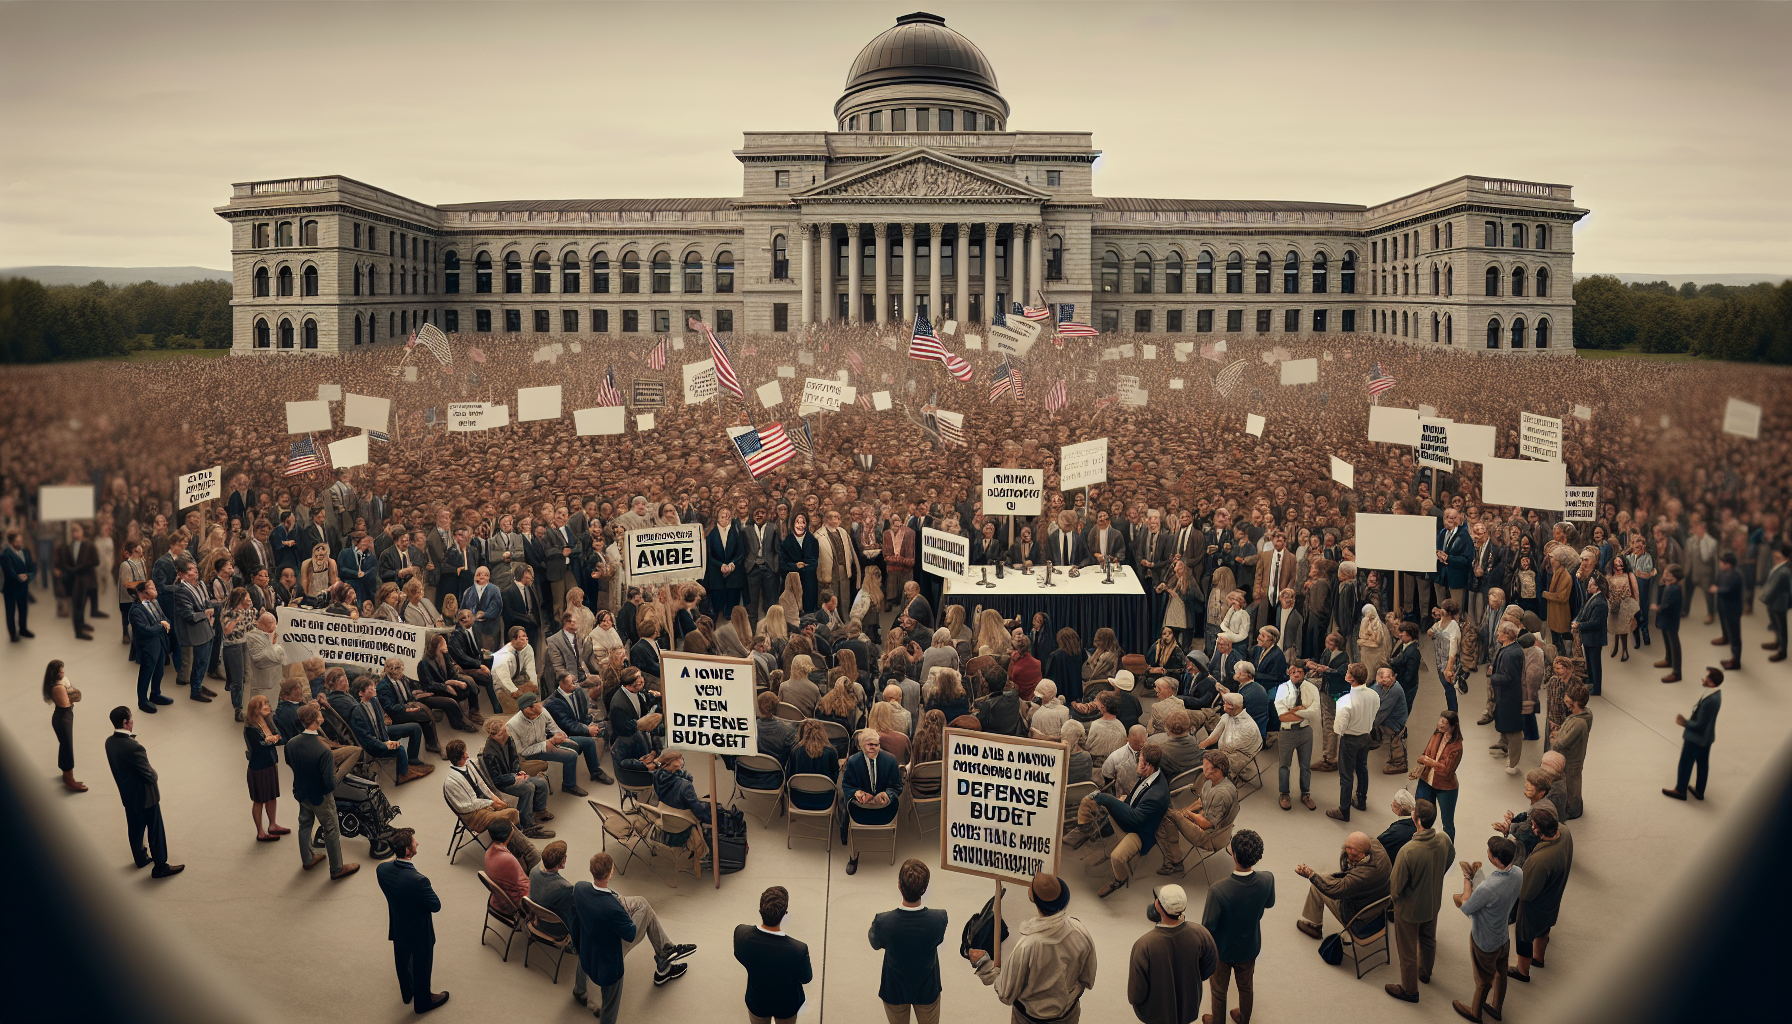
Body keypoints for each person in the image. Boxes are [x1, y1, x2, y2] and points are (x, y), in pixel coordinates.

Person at [574, 851, 695, 1023]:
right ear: (611, 872)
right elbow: (630, 934)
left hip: (588, 941)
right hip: (610, 954)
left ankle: (579, 991)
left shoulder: (579, 888)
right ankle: (664, 957)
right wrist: (626, 917)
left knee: (641, 903)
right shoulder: (613, 909)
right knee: (645, 913)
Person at [968, 872, 1098, 1024]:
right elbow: (1088, 978)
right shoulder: (1080, 931)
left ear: (1032, 897)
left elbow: (1005, 993)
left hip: (1029, 1020)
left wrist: (984, 964)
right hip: (1069, 1016)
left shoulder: (1026, 946)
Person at [1065, 741, 1171, 898]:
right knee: (1098, 806)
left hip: (1140, 832)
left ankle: (1119, 879)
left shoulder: (1156, 795)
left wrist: (1107, 799)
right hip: (1134, 815)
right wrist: (1123, 801)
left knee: (1117, 857)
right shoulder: (1151, 775)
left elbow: (1136, 819)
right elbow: (1136, 799)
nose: (1137, 762)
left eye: (1139, 760)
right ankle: (1087, 829)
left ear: (1148, 765)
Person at [1201, 828, 1274, 1024]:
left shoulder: (1218, 891)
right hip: (1250, 947)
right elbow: (1269, 903)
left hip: (1222, 952)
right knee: (1246, 987)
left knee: (1219, 991)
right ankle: (1243, 1019)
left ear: (1232, 854)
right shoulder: (1267, 879)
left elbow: (1207, 928)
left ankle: (1218, 1021)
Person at [1385, 799, 1454, 1003]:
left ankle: (1409, 990)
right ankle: (1425, 972)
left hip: (1410, 910)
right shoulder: (1444, 839)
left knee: (1407, 951)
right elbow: (1450, 858)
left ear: (1416, 819)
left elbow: (1395, 886)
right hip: (1433, 902)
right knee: (1428, 939)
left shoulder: (1408, 850)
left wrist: (1394, 902)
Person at [375, 828, 448, 1014]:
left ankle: (407, 993)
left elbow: (391, 870)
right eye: (414, 842)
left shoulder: (382, 870)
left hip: (398, 926)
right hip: (419, 932)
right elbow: (436, 905)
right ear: (408, 850)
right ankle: (423, 1002)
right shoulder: (419, 881)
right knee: (422, 965)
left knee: (402, 960)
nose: (417, 843)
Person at [104, 705, 182, 877]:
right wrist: (155, 773)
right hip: (146, 797)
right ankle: (160, 866)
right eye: (131, 718)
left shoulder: (109, 742)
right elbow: (150, 776)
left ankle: (140, 858)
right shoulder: (134, 747)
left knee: (135, 827)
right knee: (155, 830)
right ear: (126, 723)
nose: (133, 720)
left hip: (127, 795)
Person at [869, 858, 949, 1024]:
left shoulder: (883, 921)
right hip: (927, 990)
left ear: (899, 886)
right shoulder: (939, 918)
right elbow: (938, 939)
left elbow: (875, 943)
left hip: (894, 990)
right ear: (925, 888)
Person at [1452, 836, 1522, 1023]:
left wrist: (1467, 879)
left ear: (1495, 859)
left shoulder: (1487, 887)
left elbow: (1466, 907)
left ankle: (1475, 1013)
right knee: (1501, 972)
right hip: (1503, 936)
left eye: (1489, 851)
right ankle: (1496, 1007)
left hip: (1484, 941)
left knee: (1483, 980)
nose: (1487, 852)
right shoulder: (1518, 873)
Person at [1127, 882, 1217, 1024]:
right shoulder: (1200, 933)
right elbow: (1209, 967)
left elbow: (1136, 994)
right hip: (1188, 1008)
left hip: (1156, 1014)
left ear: (1157, 906)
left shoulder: (1143, 945)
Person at [288, 703, 358, 879]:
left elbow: (291, 763)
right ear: (315, 720)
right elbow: (329, 783)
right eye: (319, 713)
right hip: (321, 796)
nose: (321, 714)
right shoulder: (323, 751)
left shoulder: (291, 743)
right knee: (331, 829)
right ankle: (337, 868)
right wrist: (339, 773)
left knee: (304, 824)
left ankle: (307, 859)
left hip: (301, 791)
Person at [733, 885, 813, 1024]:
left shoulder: (741, 933)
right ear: (784, 913)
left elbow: (740, 956)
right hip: (786, 1005)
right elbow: (805, 978)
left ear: (761, 909)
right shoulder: (798, 949)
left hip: (757, 1001)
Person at [1511, 806, 1572, 982]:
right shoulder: (1565, 831)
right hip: (1553, 893)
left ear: (1537, 829)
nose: (1531, 827)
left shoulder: (1539, 861)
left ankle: (1522, 971)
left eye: (1533, 825)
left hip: (1534, 905)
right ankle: (1539, 957)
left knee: (1524, 937)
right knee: (1545, 926)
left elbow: (1525, 894)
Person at [1293, 831, 1391, 942]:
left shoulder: (1362, 876)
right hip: (1379, 904)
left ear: (1363, 853)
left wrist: (1311, 875)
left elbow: (1333, 890)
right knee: (1328, 877)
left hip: (1359, 916)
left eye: (1354, 855)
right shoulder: (1377, 847)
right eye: (1346, 849)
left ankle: (1313, 926)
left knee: (1318, 885)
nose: (1349, 856)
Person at [842, 729, 904, 875]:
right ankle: (853, 856)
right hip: (861, 808)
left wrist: (887, 794)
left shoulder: (890, 760)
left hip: (885, 809)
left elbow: (897, 787)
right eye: (869, 745)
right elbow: (847, 785)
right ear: (861, 746)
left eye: (876, 745)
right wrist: (856, 792)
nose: (873, 748)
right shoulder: (853, 762)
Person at [480, 716, 554, 835]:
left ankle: (539, 812)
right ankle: (526, 825)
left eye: (505, 731)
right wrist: (514, 778)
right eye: (501, 734)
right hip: (503, 783)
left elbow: (515, 759)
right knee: (527, 788)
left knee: (541, 782)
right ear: (492, 736)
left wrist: (518, 772)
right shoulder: (489, 754)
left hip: (513, 775)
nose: (505, 735)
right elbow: (496, 779)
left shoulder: (508, 740)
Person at [352, 675, 430, 784]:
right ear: (361, 693)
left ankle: (412, 761)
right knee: (400, 749)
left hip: (383, 733)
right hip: (375, 743)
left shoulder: (375, 701)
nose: (375, 689)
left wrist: (387, 737)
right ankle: (402, 775)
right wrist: (385, 744)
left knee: (415, 728)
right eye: (371, 689)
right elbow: (365, 737)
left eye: (374, 687)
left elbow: (381, 723)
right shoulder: (357, 712)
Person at [1663, 666, 1723, 800]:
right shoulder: (1716, 694)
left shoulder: (1710, 701)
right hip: (1707, 738)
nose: (1703, 678)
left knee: (1685, 763)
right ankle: (1700, 791)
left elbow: (1700, 724)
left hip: (1695, 739)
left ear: (1711, 681)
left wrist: (1684, 722)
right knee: (1702, 764)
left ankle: (1680, 790)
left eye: (1706, 676)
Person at [1328, 663, 1378, 822]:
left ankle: (1344, 810)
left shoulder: (1345, 701)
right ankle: (1361, 800)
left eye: (1348, 672)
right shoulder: (1374, 695)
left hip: (1350, 740)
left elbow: (1339, 728)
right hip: (1365, 737)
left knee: (1346, 775)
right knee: (1362, 768)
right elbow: (1374, 713)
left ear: (1351, 678)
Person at [1411, 711, 1464, 842]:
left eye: (1444, 722)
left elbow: (1447, 771)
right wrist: (1420, 766)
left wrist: (1428, 761)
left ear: (1452, 726)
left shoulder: (1457, 747)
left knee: (1447, 823)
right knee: (1420, 813)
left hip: (1445, 787)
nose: (1440, 724)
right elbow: (1426, 753)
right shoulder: (1436, 735)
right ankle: (1420, 842)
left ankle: (1448, 847)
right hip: (1426, 781)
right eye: (1440, 720)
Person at [1273, 661, 1319, 811]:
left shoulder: (1311, 688)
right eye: (1293, 671)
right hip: (1287, 732)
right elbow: (1282, 716)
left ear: (1304, 673)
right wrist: (1303, 710)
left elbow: (1314, 712)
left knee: (1305, 765)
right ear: (1289, 672)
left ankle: (1305, 794)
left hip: (1305, 732)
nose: (1296, 674)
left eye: (1299, 671)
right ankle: (1284, 794)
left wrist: (1293, 711)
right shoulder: (1282, 689)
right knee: (1284, 765)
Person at [242, 695, 288, 842]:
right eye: (264, 705)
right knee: (259, 800)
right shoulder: (250, 728)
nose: (268, 706)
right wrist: (272, 740)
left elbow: (280, 737)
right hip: (258, 768)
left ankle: (273, 825)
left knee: (272, 796)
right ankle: (260, 832)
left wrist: (272, 739)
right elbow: (259, 747)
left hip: (270, 763)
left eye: (267, 703)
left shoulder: (268, 721)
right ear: (256, 709)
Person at [1550, 683, 1592, 819]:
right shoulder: (1581, 715)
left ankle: (1574, 810)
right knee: (1571, 783)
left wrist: (1553, 738)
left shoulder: (1578, 723)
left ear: (1577, 702)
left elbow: (1560, 744)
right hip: (1571, 757)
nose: (1565, 703)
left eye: (1568, 701)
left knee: (1572, 786)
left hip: (1572, 760)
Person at [44, 660, 85, 792]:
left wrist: (70, 693)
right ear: (55, 673)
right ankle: (69, 780)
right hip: (63, 719)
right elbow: (68, 703)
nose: (63, 672)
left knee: (65, 745)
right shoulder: (59, 687)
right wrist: (71, 693)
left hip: (63, 718)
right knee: (67, 748)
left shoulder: (59, 685)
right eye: (61, 670)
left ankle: (65, 773)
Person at [1572, 571, 1608, 695]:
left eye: (1591, 583)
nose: (1588, 585)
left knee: (1595, 663)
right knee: (1590, 661)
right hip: (1589, 637)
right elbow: (1583, 612)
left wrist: (1579, 625)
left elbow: (1596, 623)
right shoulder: (1593, 598)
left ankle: (1596, 688)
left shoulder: (1600, 602)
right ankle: (1591, 680)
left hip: (1595, 638)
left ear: (1597, 586)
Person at [1371, 665, 1409, 774]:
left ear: (1393, 677)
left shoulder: (1395, 690)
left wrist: (1368, 725)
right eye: (1380, 676)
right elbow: (1372, 694)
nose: (1383, 679)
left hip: (1394, 722)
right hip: (1387, 718)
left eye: (1387, 677)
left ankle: (1399, 764)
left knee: (1396, 741)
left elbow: (1382, 713)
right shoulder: (1379, 686)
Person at [1711, 551, 1745, 670]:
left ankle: (1736, 660)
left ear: (1728, 564)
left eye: (1722, 562)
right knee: (1728, 628)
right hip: (1724, 606)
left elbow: (1730, 591)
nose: (1720, 564)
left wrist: (1717, 590)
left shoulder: (1736, 576)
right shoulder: (1723, 573)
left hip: (1732, 609)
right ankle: (1726, 638)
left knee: (1735, 635)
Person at [1652, 563, 1684, 682]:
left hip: (1671, 620)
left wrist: (1658, 608)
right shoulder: (1669, 586)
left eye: (1667, 573)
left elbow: (1668, 604)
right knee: (1667, 640)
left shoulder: (1675, 588)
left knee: (1673, 643)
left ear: (1673, 576)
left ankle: (1676, 672)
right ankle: (1668, 659)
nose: (1664, 574)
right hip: (1665, 619)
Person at [2, 530, 37, 641]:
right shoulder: (5, 554)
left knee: (23, 609)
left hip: (23, 586)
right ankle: (12, 633)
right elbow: (9, 571)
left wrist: (28, 576)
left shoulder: (25, 552)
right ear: (12, 542)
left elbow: (31, 566)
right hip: (10, 587)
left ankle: (23, 629)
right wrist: (18, 578)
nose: (20, 543)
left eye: (21, 541)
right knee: (10, 610)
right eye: (17, 541)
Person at [1763, 542, 1791, 662]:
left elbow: (1775, 588)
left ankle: (1782, 651)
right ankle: (1777, 642)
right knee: (1775, 623)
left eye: (1778, 558)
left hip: (1779, 603)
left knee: (1781, 626)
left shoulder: (1785, 571)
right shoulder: (1778, 567)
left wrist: (1765, 598)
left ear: (1786, 558)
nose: (1775, 560)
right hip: (1773, 602)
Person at [1377, 789, 1418, 864]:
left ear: (1400, 809)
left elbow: (1378, 842)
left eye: (1394, 803)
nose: (1391, 803)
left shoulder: (1396, 830)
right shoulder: (1414, 824)